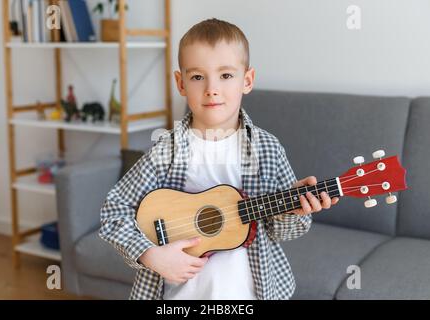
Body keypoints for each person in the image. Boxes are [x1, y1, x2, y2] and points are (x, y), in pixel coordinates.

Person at [99, 18, 339, 300]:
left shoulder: (268, 150)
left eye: (226, 75)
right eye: (198, 76)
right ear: (181, 83)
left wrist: (295, 210)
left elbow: (280, 231)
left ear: (247, 80)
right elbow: (114, 211)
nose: (212, 88)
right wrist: (150, 254)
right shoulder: (166, 150)